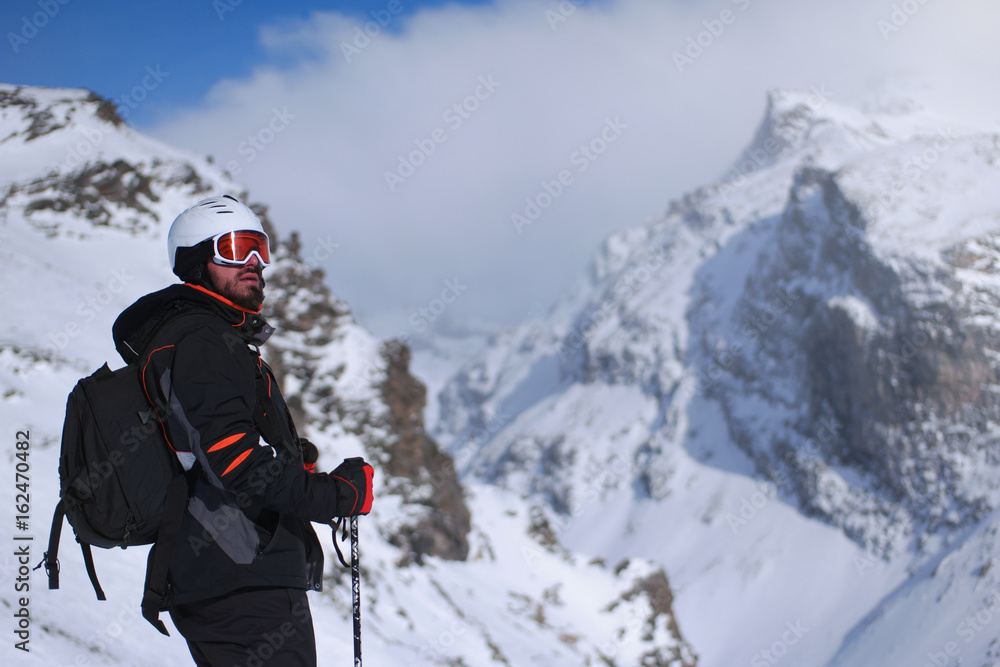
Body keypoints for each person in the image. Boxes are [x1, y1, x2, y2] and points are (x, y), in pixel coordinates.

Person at [112, 194, 373, 666]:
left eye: (259, 247)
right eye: (235, 248)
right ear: (196, 259)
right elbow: (236, 462)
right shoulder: (204, 339)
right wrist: (337, 496)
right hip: (241, 576)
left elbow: (208, 446)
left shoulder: (201, 337)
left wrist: (296, 463)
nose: (253, 262)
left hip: (226, 575)